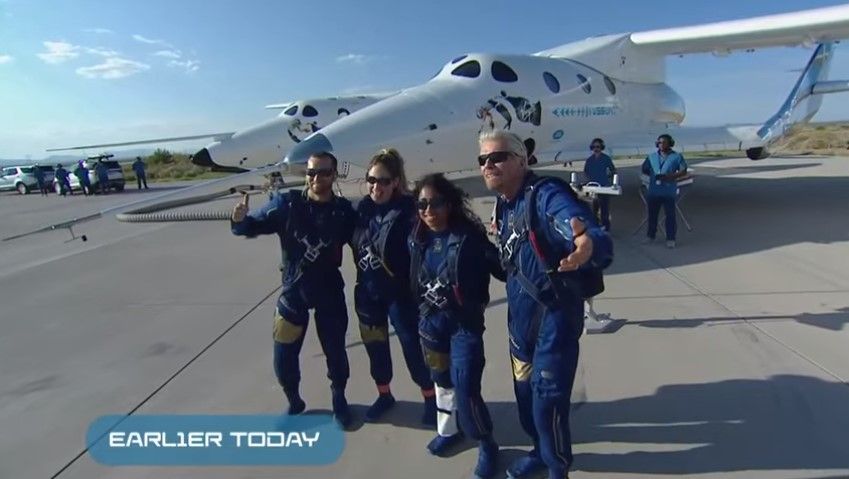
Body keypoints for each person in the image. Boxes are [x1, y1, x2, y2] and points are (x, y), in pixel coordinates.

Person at [480, 129, 610, 479]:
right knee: (525, 398)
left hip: (555, 321)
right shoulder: (503, 204)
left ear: (522, 161)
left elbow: (573, 221)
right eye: (483, 159)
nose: (488, 165)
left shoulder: (545, 195)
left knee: (547, 404)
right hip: (519, 323)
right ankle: (540, 451)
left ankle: (557, 468)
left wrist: (587, 242)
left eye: (498, 157)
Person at [231, 152, 358, 427]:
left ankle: (339, 398)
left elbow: (365, 242)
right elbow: (251, 227)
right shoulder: (287, 205)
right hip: (294, 291)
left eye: (323, 172)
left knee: (336, 351)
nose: (316, 178)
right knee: (284, 357)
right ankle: (294, 401)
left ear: (334, 175)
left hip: (329, 291)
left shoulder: (344, 212)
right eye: (311, 172)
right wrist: (240, 221)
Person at [409, 173, 504, 478]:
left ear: (449, 204)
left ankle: (486, 443)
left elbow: (505, 268)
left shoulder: (469, 239)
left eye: (435, 203)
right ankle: (449, 431)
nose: (428, 210)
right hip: (431, 324)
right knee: (442, 382)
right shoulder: (416, 238)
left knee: (465, 387)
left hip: (464, 326)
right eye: (422, 204)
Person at [350, 148, 436, 424]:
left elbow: (434, 236)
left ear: (396, 181)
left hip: (400, 296)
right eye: (371, 180)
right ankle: (384, 394)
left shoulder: (410, 210)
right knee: (375, 348)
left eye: (384, 181)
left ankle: (430, 398)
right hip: (368, 292)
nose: (377, 187)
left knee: (413, 348)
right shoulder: (362, 209)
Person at [641, 134, 688, 248]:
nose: (661, 145)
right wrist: (654, 176)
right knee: (652, 215)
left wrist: (670, 176)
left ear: (670, 144)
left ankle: (671, 238)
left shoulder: (677, 157)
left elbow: (683, 171)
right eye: (659, 142)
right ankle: (651, 235)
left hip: (668, 191)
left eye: (664, 142)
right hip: (654, 191)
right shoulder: (651, 157)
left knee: (670, 216)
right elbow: (645, 169)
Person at [583, 138, 616, 231]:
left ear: (601, 147)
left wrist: (609, 179)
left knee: (604, 209)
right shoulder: (589, 160)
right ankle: (595, 227)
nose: (596, 149)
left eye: (598, 147)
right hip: (593, 188)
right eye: (594, 147)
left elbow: (613, 170)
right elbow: (586, 172)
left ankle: (606, 227)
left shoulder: (606, 158)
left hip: (604, 187)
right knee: (594, 209)